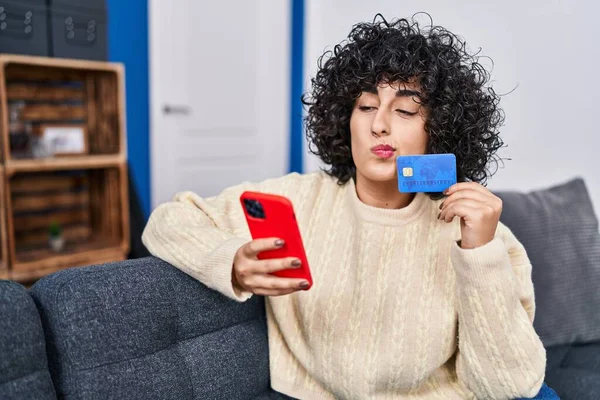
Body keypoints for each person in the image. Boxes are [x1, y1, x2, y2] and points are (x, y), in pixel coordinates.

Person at [143, 14, 556, 400]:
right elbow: (166, 221)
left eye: (407, 110)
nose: (381, 124)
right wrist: (229, 262)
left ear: (440, 129)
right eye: (367, 106)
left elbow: (509, 385)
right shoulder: (296, 200)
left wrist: (480, 256)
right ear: (345, 117)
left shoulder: (483, 235)